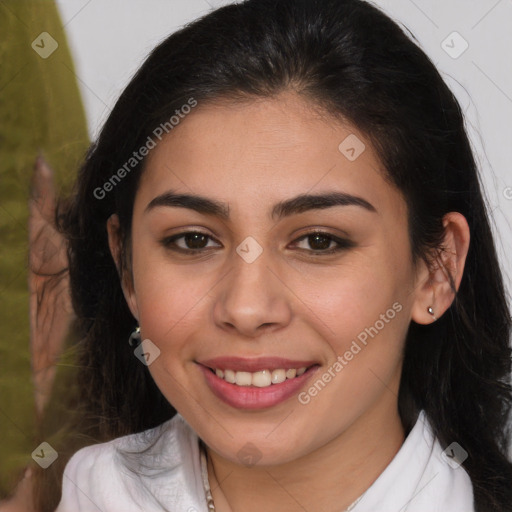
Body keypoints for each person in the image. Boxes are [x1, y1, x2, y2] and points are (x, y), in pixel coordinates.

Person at [52, 0, 512, 511]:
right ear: (127, 267)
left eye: (319, 241)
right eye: (193, 240)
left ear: (436, 270)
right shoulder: (83, 492)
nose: (247, 309)